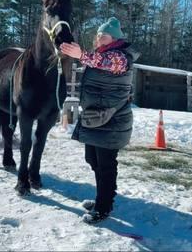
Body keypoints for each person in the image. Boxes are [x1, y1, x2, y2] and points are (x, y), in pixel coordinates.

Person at [60, 17, 139, 225]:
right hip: (97, 119)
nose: (98, 38)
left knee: (106, 165)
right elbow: (95, 61)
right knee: (93, 160)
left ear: (114, 38)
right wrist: (81, 55)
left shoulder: (120, 57)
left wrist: (81, 55)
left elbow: (102, 63)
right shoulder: (102, 54)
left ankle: (104, 207)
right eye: (97, 34)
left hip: (111, 121)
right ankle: (101, 198)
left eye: (102, 35)